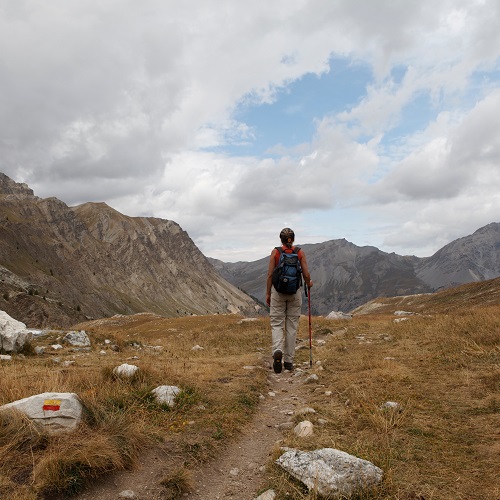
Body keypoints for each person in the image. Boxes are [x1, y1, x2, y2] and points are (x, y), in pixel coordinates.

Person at [266, 228, 313, 373]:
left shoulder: (276, 253)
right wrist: (309, 282)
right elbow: (305, 274)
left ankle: (277, 351)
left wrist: (268, 293)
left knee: (277, 324)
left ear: (281, 239)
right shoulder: (299, 253)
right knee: (292, 326)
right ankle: (289, 361)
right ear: (293, 238)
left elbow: (269, 275)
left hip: (278, 292)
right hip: (294, 292)